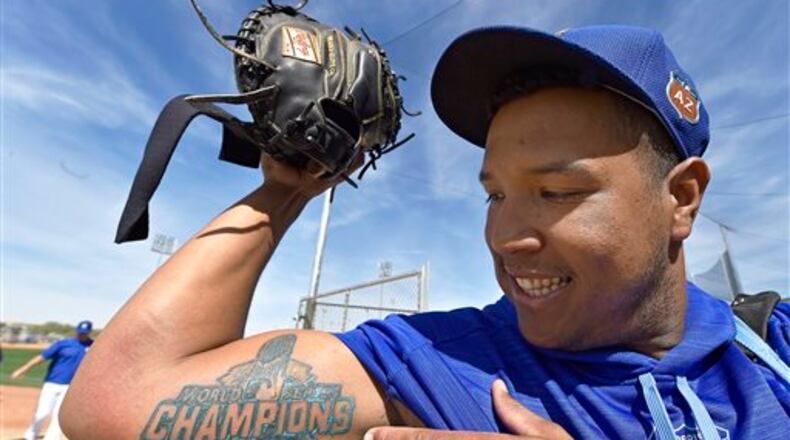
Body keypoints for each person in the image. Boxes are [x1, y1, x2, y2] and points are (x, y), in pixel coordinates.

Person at [60, 24, 790, 440]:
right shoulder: (446, 364)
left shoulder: (775, 347)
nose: (507, 234)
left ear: (683, 199)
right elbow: (117, 406)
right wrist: (283, 193)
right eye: (494, 195)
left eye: (557, 191)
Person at [13, 320, 94, 440]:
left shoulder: (93, 346)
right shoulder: (63, 344)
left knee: (58, 416)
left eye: (84, 333)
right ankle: (31, 436)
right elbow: (42, 357)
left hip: (71, 387)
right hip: (52, 383)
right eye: (80, 332)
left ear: (89, 332)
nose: (82, 334)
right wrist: (23, 369)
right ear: (76, 331)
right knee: (43, 412)